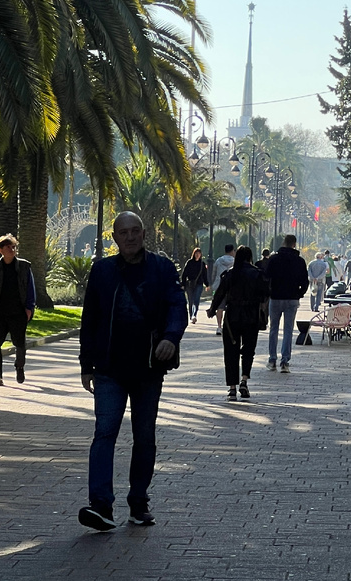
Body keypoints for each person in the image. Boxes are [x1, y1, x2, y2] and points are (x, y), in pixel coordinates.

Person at [78, 211, 187, 531]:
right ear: (114, 237)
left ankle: (139, 502)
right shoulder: (102, 270)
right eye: (123, 232)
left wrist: (171, 337)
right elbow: (90, 319)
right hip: (109, 368)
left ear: (143, 233)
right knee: (104, 433)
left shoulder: (162, 268)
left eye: (135, 231)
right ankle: (101, 505)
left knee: (145, 436)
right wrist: (86, 364)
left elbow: (177, 307)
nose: (130, 237)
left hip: (148, 369)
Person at [208, 245, 268, 401]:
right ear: (250, 257)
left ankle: (232, 388)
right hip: (251, 316)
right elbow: (265, 295)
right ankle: (244, 380)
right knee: (248, 350)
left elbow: (220, 293)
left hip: (232, 316)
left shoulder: (230, 274)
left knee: (230, 351)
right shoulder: (257, 274)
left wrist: (212, 310)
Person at [0, 234, 36, 386]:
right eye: (8, 247)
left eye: (14, 247)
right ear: (1, 250)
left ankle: (19, 367)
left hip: (18, 312)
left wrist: (29, 308)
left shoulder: (24, 266)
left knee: (20, 344)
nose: (12, 250)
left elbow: (30, 289)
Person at [264, 235, 309, 372]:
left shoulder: (274, 259)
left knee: (273, 329)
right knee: (288, 330)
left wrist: (269, 292)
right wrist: (299, 293)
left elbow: (266, 277)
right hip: (292, 298)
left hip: (276, 297)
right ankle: (285, 361)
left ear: (284, 243)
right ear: (294, 244)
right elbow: (305, 281)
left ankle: (272, 360)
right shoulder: (299, 261)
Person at [209, 244, 235, 336]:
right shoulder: (235, 261)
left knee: (219, 307)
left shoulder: (219, 260)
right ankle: (229, 327)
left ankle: (219, 327)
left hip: (219, 286)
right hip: (231, 287)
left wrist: (212, 283)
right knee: (231, 307)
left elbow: (214, 273)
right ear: (232, 251)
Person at [180, 247, 208, 322]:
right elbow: (184, 274)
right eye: (196, 253)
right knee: (190, 300)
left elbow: (204, 275)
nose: (197, 255)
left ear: (201, 254)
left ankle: (194, 315)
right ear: (194, 254)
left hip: (199, 284)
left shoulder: (202, 264)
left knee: (196, 300)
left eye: (199, 253)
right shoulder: (189, 262)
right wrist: (183, 284)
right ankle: (191, 316)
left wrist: (207, 284)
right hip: (189, 284)